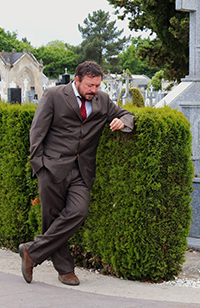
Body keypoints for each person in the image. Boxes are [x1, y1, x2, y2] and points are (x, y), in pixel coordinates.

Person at [19, 61, 134, 286]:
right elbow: (37, 131)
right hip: (51, 168)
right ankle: (65, 270)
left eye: (97, 86)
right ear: (77, 79)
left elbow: (126, 114)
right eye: (90, 85)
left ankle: (31, 252)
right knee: (51, 220)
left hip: (82, 170)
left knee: (78, 212)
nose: (94, 90)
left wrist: (123, 121)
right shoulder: (53, 95)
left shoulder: (102, 100)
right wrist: (39, 165)